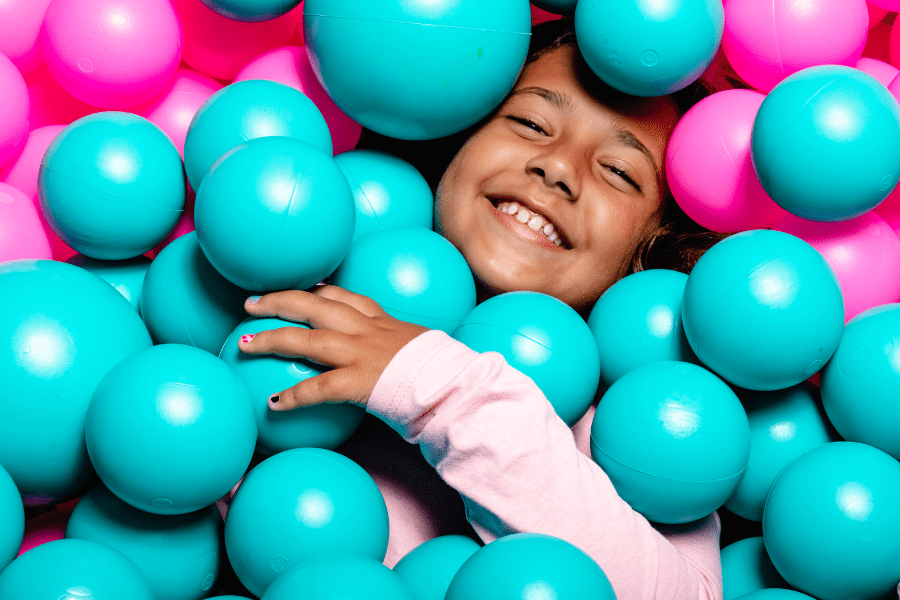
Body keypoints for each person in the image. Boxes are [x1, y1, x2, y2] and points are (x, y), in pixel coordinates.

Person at [237, 18, 737, 600]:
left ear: (647, 251)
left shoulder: (643, 430)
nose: (558, 167)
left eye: (619, 173)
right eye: (529, 123)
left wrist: (440, 389)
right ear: (455, 135)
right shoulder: (311, 291)